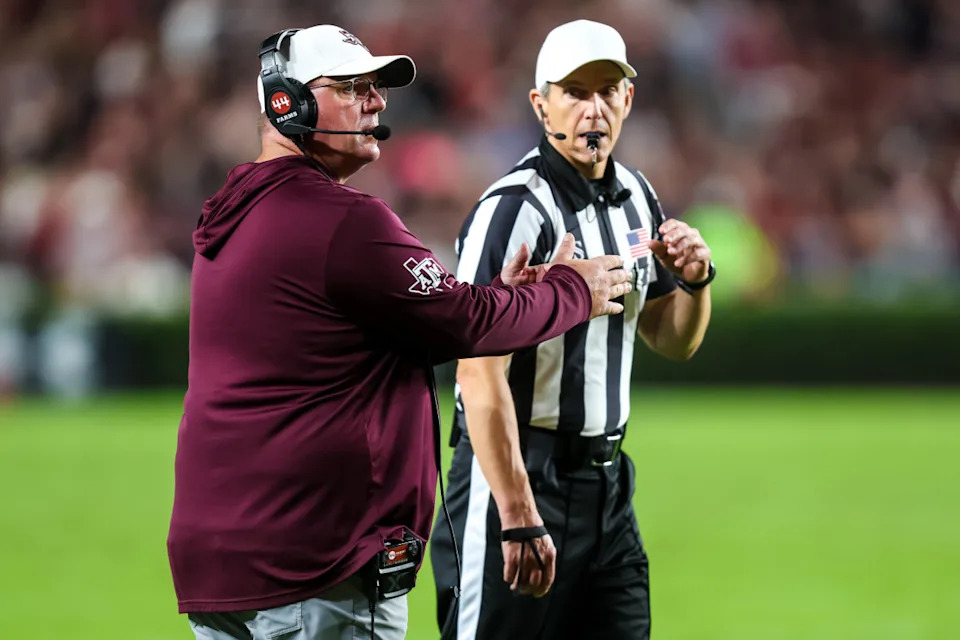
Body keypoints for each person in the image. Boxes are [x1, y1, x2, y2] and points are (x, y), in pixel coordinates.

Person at [165, 24, 632, 640]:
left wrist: (509, 295)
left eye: (375, 87)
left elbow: (391, 329)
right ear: (287, 102)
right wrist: (575, 290)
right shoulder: (342, 221)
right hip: (316, 563)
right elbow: (466, 322)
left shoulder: (235, 214)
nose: (377, 102)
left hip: (225, 560)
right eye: (351, 88)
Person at [431, 19, 715, 640]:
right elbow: (477, 374)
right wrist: (516, 511)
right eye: (575, 92)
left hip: (607, 485)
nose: (594, 109)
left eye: (607, 91)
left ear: (628, 100)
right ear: (541, 105)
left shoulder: (637, 196)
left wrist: (696, 282)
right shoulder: (514, 207)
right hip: (517, 475)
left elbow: (674, 339)